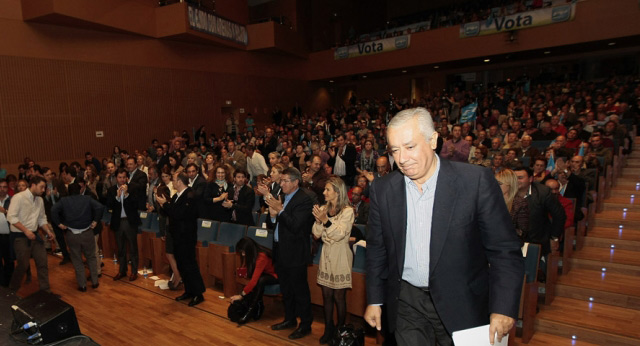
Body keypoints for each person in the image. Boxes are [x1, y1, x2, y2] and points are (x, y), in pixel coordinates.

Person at [365, 108, 524, 346]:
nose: (402, 159)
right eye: (395, 150)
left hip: (462, 303)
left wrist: (503, 308)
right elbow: (378, 248)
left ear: (433, 140)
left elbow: (504, 251)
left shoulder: (475, 182)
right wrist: (375, 299)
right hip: (407, 302)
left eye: (409, 147)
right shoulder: (383, 189)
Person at [265, 167, 316, 340]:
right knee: (286, 289)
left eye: (286, 180)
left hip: (295, 253)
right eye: (281, 180)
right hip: (280, 250)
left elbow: (296, 226)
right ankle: (290, 319)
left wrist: (280, 210)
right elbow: (274, 223)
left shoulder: (304, 200)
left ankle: (305, 324)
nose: (282, 183)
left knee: (300, 290)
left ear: (296, 182)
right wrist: (273, 215)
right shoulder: (283, 197)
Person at [312, 176, 354, 344]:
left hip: (340, 255)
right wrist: (318, 221)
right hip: (327, 254)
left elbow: (340, 234)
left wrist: (325, 221)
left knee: (339, 296)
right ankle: (328, 327)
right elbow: (316, 234)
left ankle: (340, 330)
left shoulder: (348, 211)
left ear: (337, 192)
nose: (324, 192)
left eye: (327, 189)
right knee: (326, 294)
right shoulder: (324, 208)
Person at [156, 173, 206, 307]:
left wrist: (165, 204)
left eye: (173, 180)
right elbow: (171, 213)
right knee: (182, 265)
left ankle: (198, 293)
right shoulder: (176, 196)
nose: (172, 183)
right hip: (177, 235)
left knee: (190, 265)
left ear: (179, 181)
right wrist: (163, 205)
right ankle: (189, 291)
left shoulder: (190, 195)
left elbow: (179, 214)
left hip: (186, 236)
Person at [51, 183, 104, 292]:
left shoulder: (64, 201)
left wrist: (59, 224)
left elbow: (53, 210)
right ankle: (95, 282)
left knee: (77, 260)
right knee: (91, 258)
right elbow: (99, 207)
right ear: (80, 190)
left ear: (68, 191)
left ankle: (82, 285)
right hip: (87, 232)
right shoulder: (87, 199)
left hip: (72, 234)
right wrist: (95, 220)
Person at [7, 176, 56, 293]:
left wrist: (48, 231)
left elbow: (41, 219)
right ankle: (12, 291)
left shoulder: (39, 200)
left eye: (44, 187)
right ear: (33, 185)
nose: (44, 190)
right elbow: (11, 217)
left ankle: (46, 291)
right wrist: (26, 231)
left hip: (34, 235)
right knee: (22, 265)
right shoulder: (18, 197)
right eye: (41, 187)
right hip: (20, 236)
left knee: (42, 262)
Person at [229, 237, 278, 324]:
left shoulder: (262, 257)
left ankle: (250, 311)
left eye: (243, 252)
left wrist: (241, 295)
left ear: (249, 250)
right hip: (266, 273)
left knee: (260, 280)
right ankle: (257, 305)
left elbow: (254, 281)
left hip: (277, 275)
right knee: (259, 280)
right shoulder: (253, 254)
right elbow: (249, 269)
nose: (243, 255)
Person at [107, 168, 142, 281]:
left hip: (129, 222)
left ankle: (134, 272)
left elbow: (137, 204)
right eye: (119, 177)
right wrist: (117, 197)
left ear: (127, 178)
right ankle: (122, 271)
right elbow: (109, 205)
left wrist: (126, 194)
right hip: (118, 222)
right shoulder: (112, 190)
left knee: (133, 248)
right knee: (120, 249)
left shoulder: (133, 188)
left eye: (124, 177)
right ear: (116, 178)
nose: (122, 180)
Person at [495, 169, 529, 242]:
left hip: (509, 244)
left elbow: (522, 232)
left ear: (510, 185)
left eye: (499, 183)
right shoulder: (490, 200)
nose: (495, 186)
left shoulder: (520, 203)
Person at [0, 179, 12, 287]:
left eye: (4, 187)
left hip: (8, 236)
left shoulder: (12, 200)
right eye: (0, 187)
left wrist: (5, 211)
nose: (2, 189)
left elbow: (15, 216)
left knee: (9, 260)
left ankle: (8, 284)